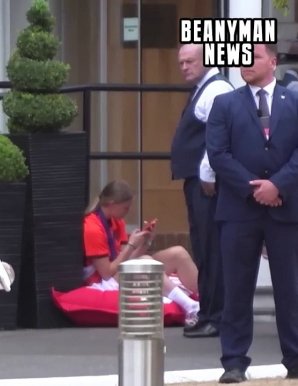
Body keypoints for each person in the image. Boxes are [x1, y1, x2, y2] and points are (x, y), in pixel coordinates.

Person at [207, 43, 298, 383]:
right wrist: (256, 188)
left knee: (290, 288)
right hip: (238, 210)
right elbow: (218, 154)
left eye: (255, 57)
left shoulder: (295, 103)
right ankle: (233, 362)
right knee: (237, 288)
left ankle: (295, 357)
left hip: (286, 208)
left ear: (273, 62)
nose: (246, 64)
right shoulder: (225, 103)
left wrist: (279, 186)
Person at [170, 43, 234, 339]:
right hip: (197, 181)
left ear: (206, 61)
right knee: (204, 248)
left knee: (212, 248)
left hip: (207, 185)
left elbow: (218, 136)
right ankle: (208, 312)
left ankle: (217, 316)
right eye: (181, 62)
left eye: (190, 61)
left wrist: (207, 173)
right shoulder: (203, 88)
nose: (184, 66)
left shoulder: (216, 89)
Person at [83, 180, 200, 326]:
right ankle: (191, 306)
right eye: (125, 208)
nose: (127, 212)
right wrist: (131, 244)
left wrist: (146, 241)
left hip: (118, 271)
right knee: (146, 261)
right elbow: (107, 273)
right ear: (112, 203)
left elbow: (128, 259)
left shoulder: (116, 221)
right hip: (104, 281)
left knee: (178, 253)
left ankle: (208, 301)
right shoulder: (92, 227)